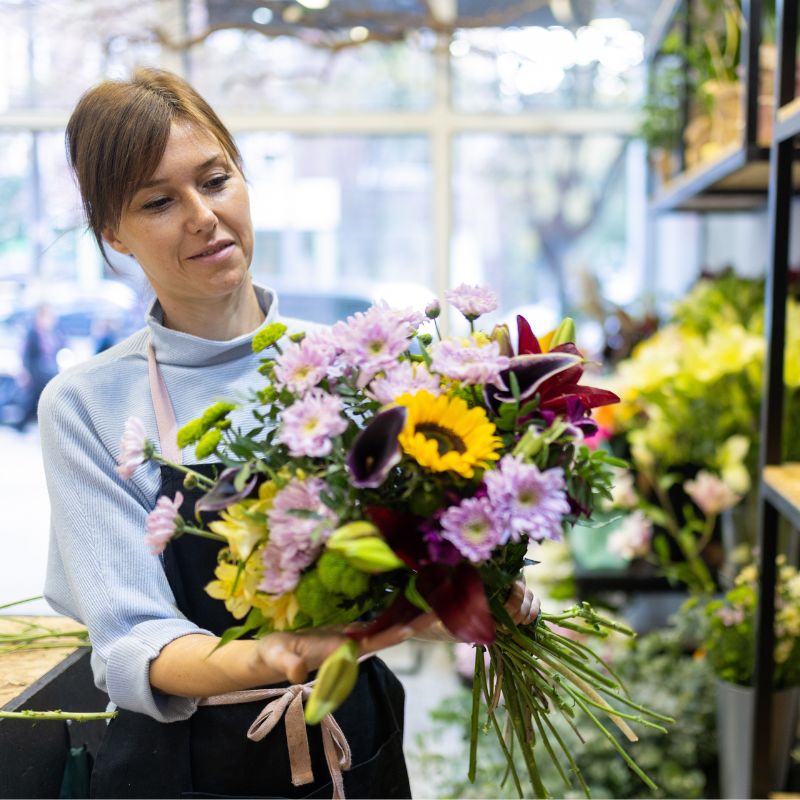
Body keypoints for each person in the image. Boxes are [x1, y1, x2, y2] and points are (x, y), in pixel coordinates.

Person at [39, 68, 537, 799]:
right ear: (113, 231)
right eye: (158, 201)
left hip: (353, 743)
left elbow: (397, 578)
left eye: (215, 180)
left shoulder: (351, 361)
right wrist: (285, 655)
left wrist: (462, 603)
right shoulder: (85, 404)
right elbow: (135, 640)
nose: (203, 216)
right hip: (182, 768)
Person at [16, 303, 64, 431]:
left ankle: (38, 424)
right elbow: (26, 354)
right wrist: (25, 372)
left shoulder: (53, 333)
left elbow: (59, 348)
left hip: (48, 372)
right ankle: (21, 424)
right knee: (34, 399)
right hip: (35, 372)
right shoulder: (32, 333)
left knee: (45, 398)